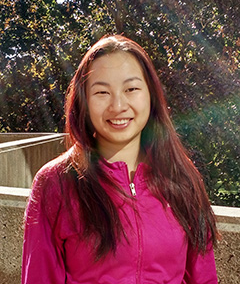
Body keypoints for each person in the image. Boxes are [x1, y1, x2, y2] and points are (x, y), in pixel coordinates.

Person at [22, 35, 219, 284]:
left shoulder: (182, 177)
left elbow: (204, 278)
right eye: (102, 92)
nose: (118, 106)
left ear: (151, 95)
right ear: (83, 100)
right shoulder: (55, 183)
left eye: (131, 89)